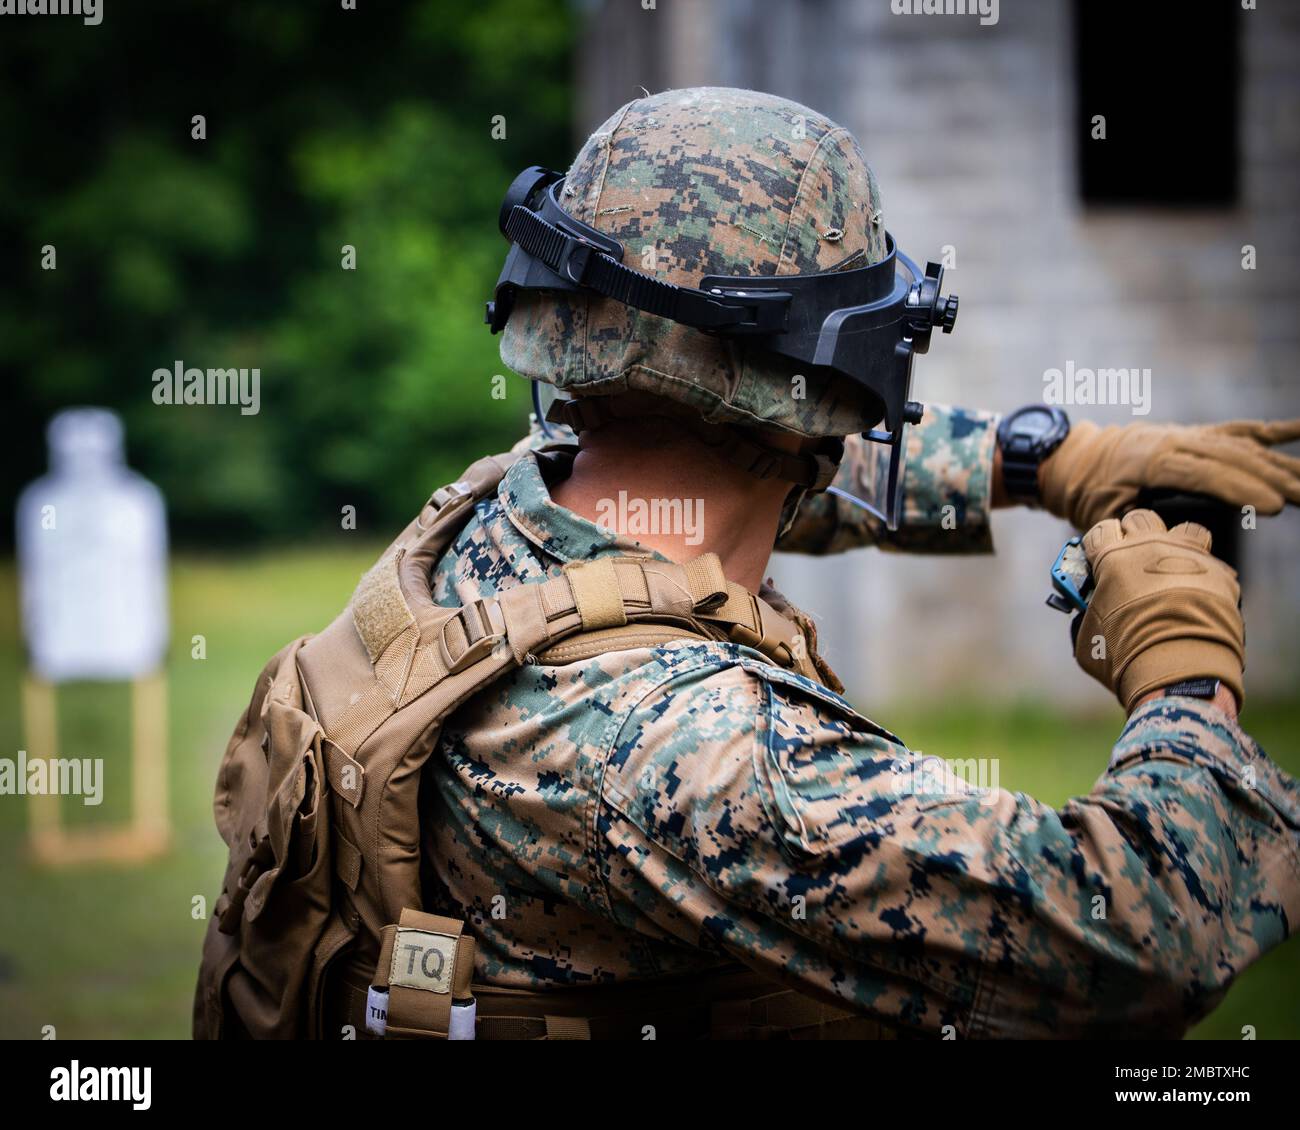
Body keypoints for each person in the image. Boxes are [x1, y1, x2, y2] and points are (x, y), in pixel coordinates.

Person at [199, 87, 1300, 1040]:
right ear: (836, 379)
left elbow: (744, 464)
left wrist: (1038, 458)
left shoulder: (500, 511)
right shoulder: (700, 755)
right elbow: (1137, 940)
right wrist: (1180, 669)